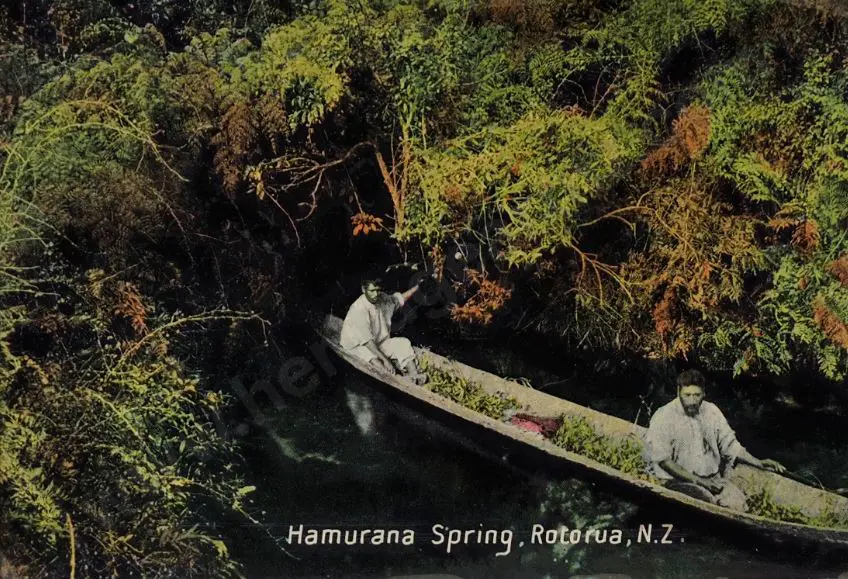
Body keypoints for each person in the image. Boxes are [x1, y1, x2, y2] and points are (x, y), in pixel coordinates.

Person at [644, 369, 786, 510]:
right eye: (687, 395)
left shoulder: (712, 411)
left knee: (739, 505)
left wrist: (758, 463)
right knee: (707, 502)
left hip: (712, 478)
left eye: (697, 395)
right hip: (677, 481)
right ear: (678, 392)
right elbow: (664, 461)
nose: (692, 401)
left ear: (704, 393)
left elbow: (730, 446)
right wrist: (701, 482)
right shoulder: (664, 416)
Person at [339, 277, 427, 385]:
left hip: (378, 342)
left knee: (403, 343)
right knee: (375, 361)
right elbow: (367, 342)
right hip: (357, 346)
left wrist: (417, 287)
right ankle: (399, 381)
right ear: (363, 289)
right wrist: (386, 361)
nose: (376, 294)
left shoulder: (382, 298)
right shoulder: (358, 309)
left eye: (378, 290)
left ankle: (414, 374)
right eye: (372, 291)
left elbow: (399, 300)